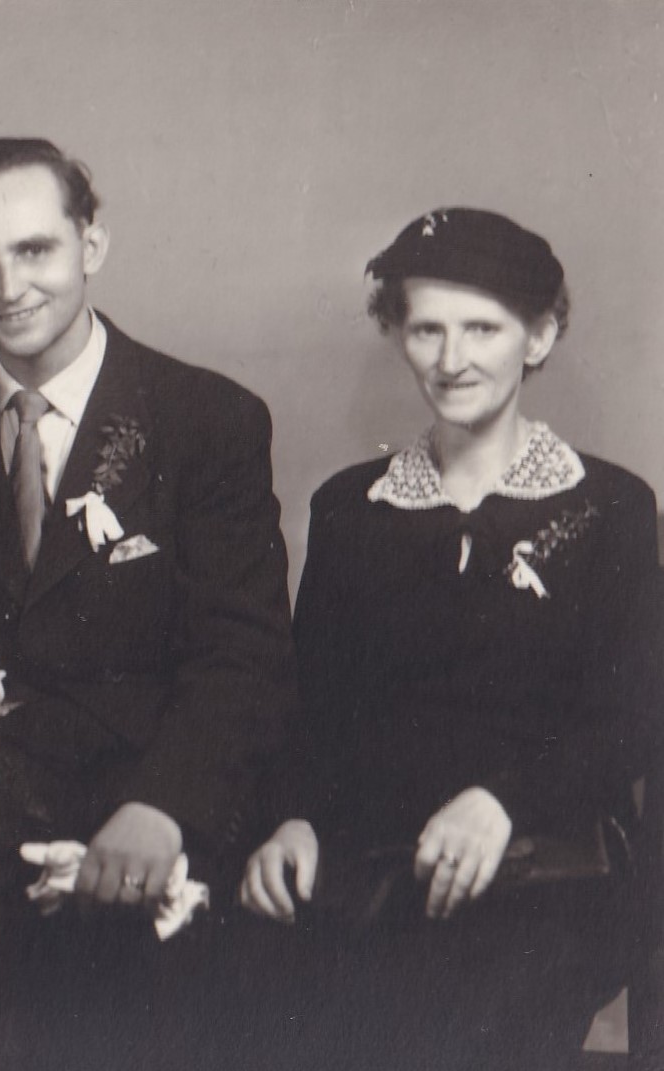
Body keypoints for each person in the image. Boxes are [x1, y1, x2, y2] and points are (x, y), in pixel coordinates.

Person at [0, 138, 298, 1070]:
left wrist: (164, 806)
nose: (9, 288)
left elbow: (242, 656)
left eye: (35, 250)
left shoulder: (205, 418)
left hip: (139, 814)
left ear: (91, 244)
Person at [238, 208, 659, 1071]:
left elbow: (630, 714)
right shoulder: (350, 506)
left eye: (481, 328)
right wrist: (292, 818)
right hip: (370, 871)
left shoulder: (612, 506)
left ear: (538, 336)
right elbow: (309, 703)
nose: (450, 357)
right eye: (426, 328)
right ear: (397, 334)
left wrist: (499, 800)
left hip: (540, 877)